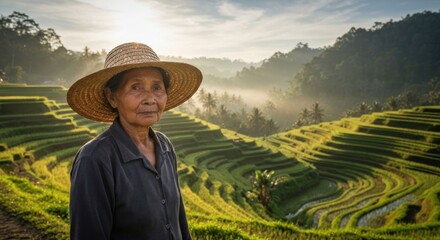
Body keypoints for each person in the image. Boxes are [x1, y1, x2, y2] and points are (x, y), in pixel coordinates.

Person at [67, 42, 202, 240]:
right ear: (112, 97)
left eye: (157, 87)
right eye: (136, 87)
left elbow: (179, 220)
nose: (150, 99)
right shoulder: (95, 159)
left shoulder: (164, 146)